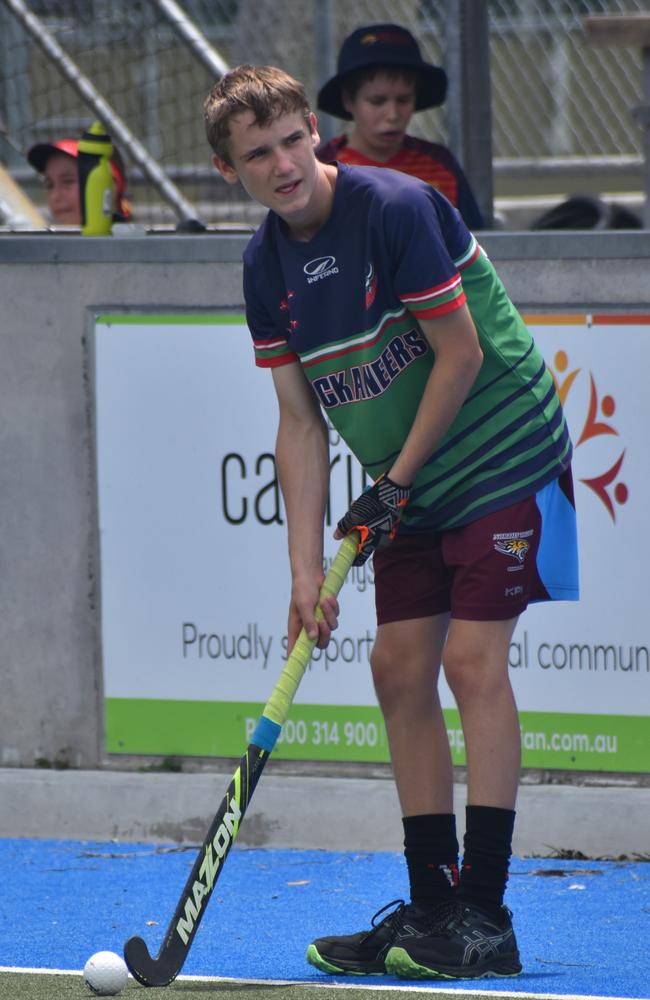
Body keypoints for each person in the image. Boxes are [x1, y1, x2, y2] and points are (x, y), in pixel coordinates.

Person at [203, 65, 578, 980]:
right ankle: (433, 905)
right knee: (397, 666)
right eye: (258, 154)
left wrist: (394, 483)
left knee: (468, 660)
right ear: (229, 172)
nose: (285, 163)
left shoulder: (396, 208)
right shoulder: (263, 266)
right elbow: (299, 422)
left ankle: (486, 916)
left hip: (500, 448)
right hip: (412, 482)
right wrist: (303, 571)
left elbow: (460, 353)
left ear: (315, 133)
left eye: (294, 138)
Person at [316, 23, 484, 229]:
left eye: (403, 100)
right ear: (348, 100)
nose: (393, 115)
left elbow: (474, 244)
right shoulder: (323, 168)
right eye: (377, 101)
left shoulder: (440, 165)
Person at [27, 137, 131, 226]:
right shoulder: (47, 247)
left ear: (110, 187)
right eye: (49, 185)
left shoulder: (133, 246)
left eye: (68, 181)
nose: (55, 196)